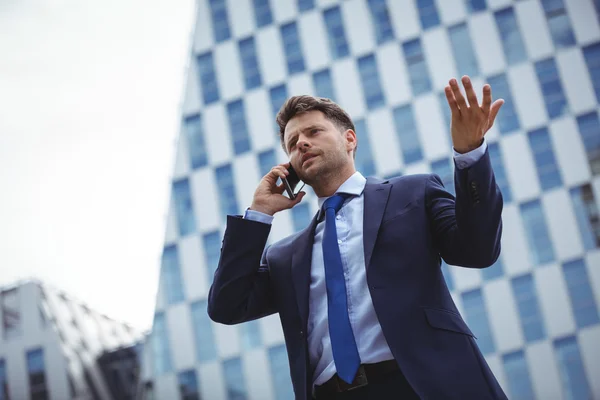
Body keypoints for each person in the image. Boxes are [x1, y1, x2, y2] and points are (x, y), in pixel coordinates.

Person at [208, 76, 507, 400]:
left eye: (313, 132)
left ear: (350, 139)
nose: (301, 144)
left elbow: (478, 250)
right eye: (292, 143)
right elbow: (227, 306)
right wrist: (259, 214)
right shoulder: (284, 256)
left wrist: (470, 154)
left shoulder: (413, 193)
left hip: (424, 384)